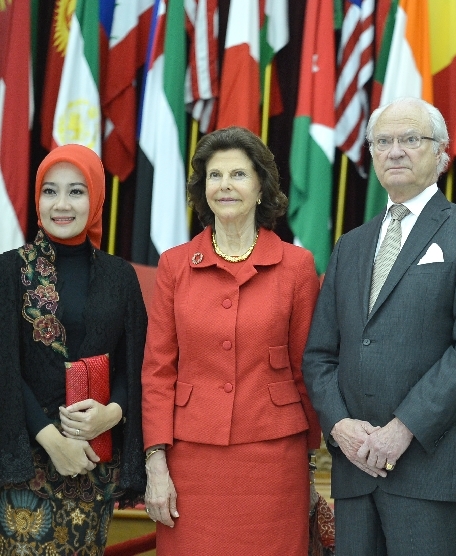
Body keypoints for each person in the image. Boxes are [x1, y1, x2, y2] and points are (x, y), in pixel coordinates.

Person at [302, 97, 456, 555]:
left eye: (410, 139)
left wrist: (403, 428)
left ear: (441, 155)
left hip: (430, 471)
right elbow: (319, 355)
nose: (395, 151)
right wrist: (339, 426)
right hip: (356, 470)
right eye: (383, 141)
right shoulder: (351, 245)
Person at [141, 126, 322, 555]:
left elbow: (307, 369)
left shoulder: (297, 266)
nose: (225, 186)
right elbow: (158, 371)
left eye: (238, 175)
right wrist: (156, 464)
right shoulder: (174, 265)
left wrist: (310, 463)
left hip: (274, 460)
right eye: (214, 176)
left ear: (261, 187)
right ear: (202, 189)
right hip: (189, 462)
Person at [0, 144, 147, 553]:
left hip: (95, 464)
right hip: (25, 463)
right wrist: (52, 440)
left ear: (96, 198)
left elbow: (136, 364)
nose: (61, 204)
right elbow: (4, 368)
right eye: (50, 191)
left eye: (76, 191)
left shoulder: (120, 277)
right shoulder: (10, 270)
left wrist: (111, 414)